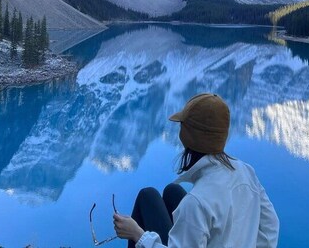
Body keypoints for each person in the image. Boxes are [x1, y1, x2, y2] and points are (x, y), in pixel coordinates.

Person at [113, 93, 280, 248]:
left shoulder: (196, 202)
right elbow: (271, 226)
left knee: (147, 196)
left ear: (187, 137)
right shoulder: (246, 171)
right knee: (172, 191)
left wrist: (138, 235)